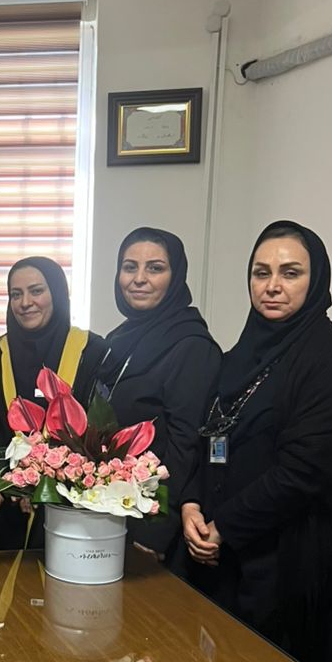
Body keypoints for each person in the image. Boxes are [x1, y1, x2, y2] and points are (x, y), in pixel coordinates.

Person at [181, 221, 332, 662]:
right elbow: (210, 436)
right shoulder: (241, 354)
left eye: (290, 273)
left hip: (295, 561)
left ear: (316, 279)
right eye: (261, 272)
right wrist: (192, 504)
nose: (272, 286)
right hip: (226, 554)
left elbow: (304, 473)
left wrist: (223, 526)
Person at [95, 227, 221, 561]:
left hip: (152, 523)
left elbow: (186, 445)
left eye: (155, 268)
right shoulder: (120, 338)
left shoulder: (191, 346)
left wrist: (155, 530)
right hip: (112, 509)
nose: (139, 279)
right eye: (129, 267)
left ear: (175, 276)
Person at [0, 256, 107, 548]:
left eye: (36, 291)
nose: (25, 302)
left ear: (57, 293)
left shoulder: (92, 350)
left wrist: (47, 480)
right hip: (5, 504)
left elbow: (100, 429)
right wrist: (10, 480)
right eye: (16, 294)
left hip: (71, 504)